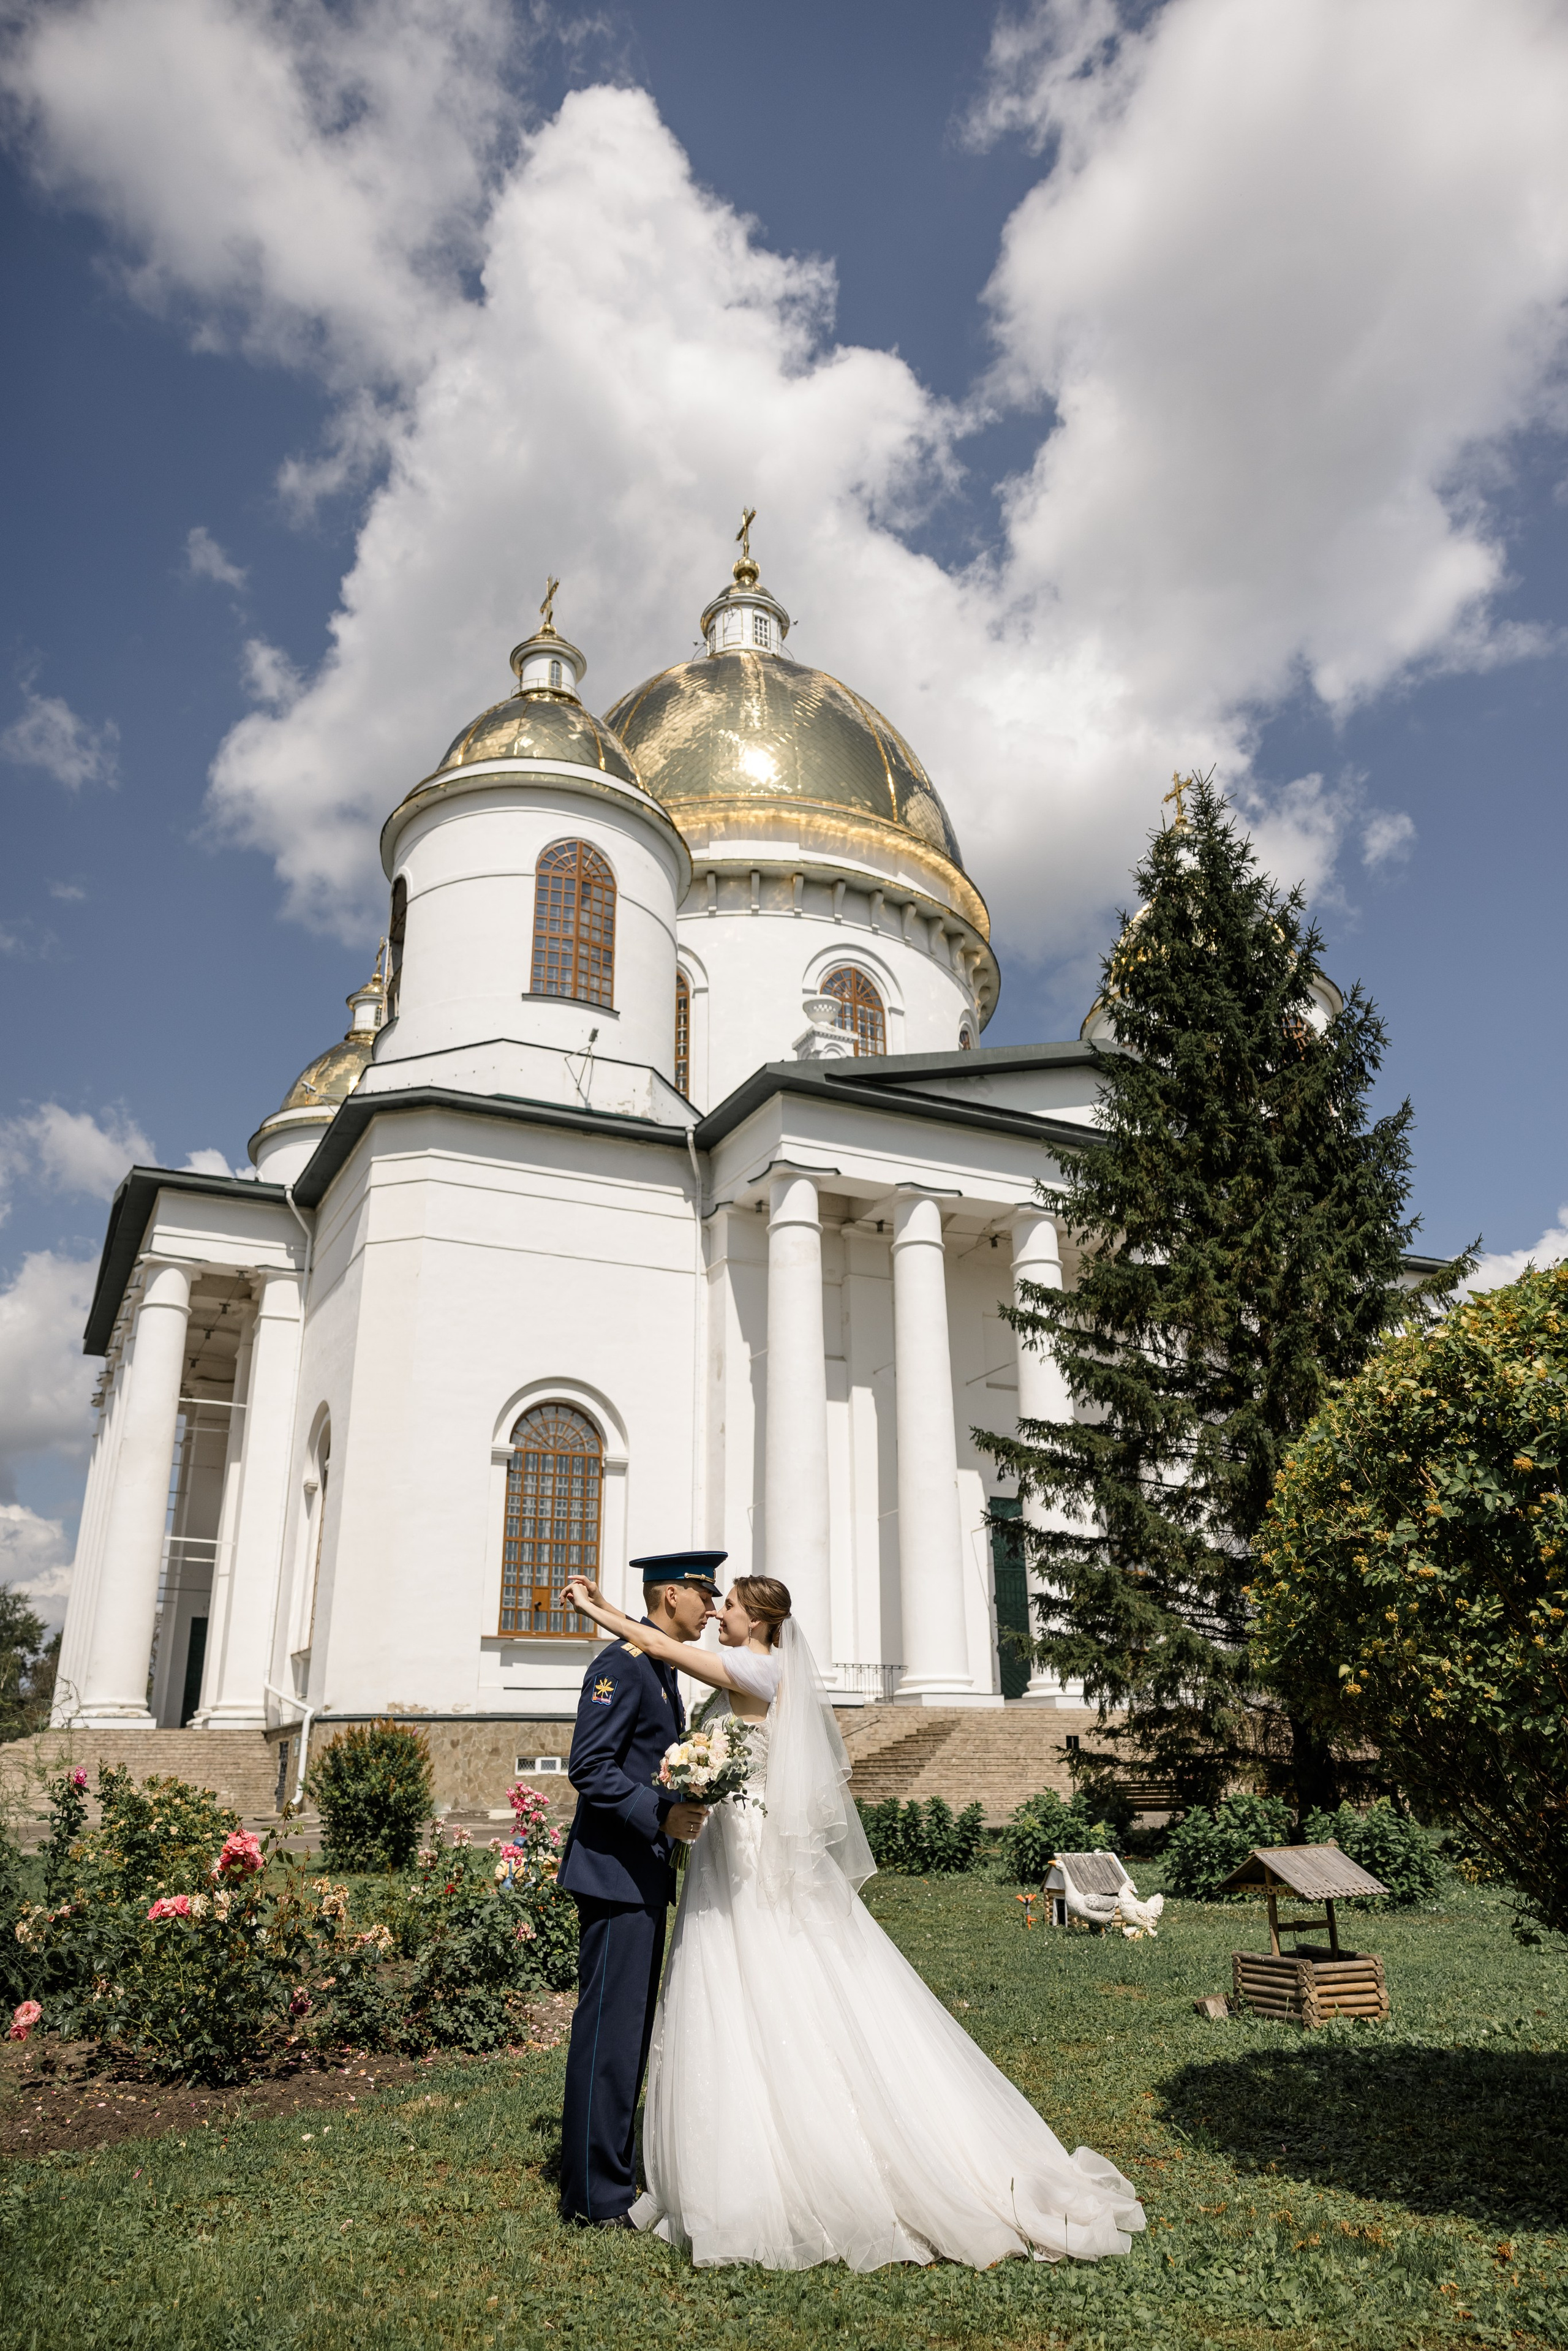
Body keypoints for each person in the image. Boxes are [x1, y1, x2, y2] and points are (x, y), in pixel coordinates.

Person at [562, 1569, 1146, 2272]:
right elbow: (654, 1659)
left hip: (746, 1862)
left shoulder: (753, 1666)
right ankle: (666, 2165)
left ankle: (771, 2165)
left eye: (733, 1607)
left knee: (762, 1986)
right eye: (712, 1601)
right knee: (735, 1992)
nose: (719, 1612)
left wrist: (597, 1609)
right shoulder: (735, 1663)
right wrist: (608, 1613)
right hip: (727, 1854)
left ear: (763, 1624)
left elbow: (662, 1644)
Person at [555, 1550, 726, 2227]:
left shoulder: (654, 1662)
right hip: (615, 1873)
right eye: (702, 1596)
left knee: (627, 2033)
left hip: (639, 1871)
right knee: (610, 2034)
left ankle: (612, 2177)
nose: (711, 1609)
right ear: (671, 1596)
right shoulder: (620, 1667)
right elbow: (588, 1765)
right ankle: (595, 2200)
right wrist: (657, 1813)